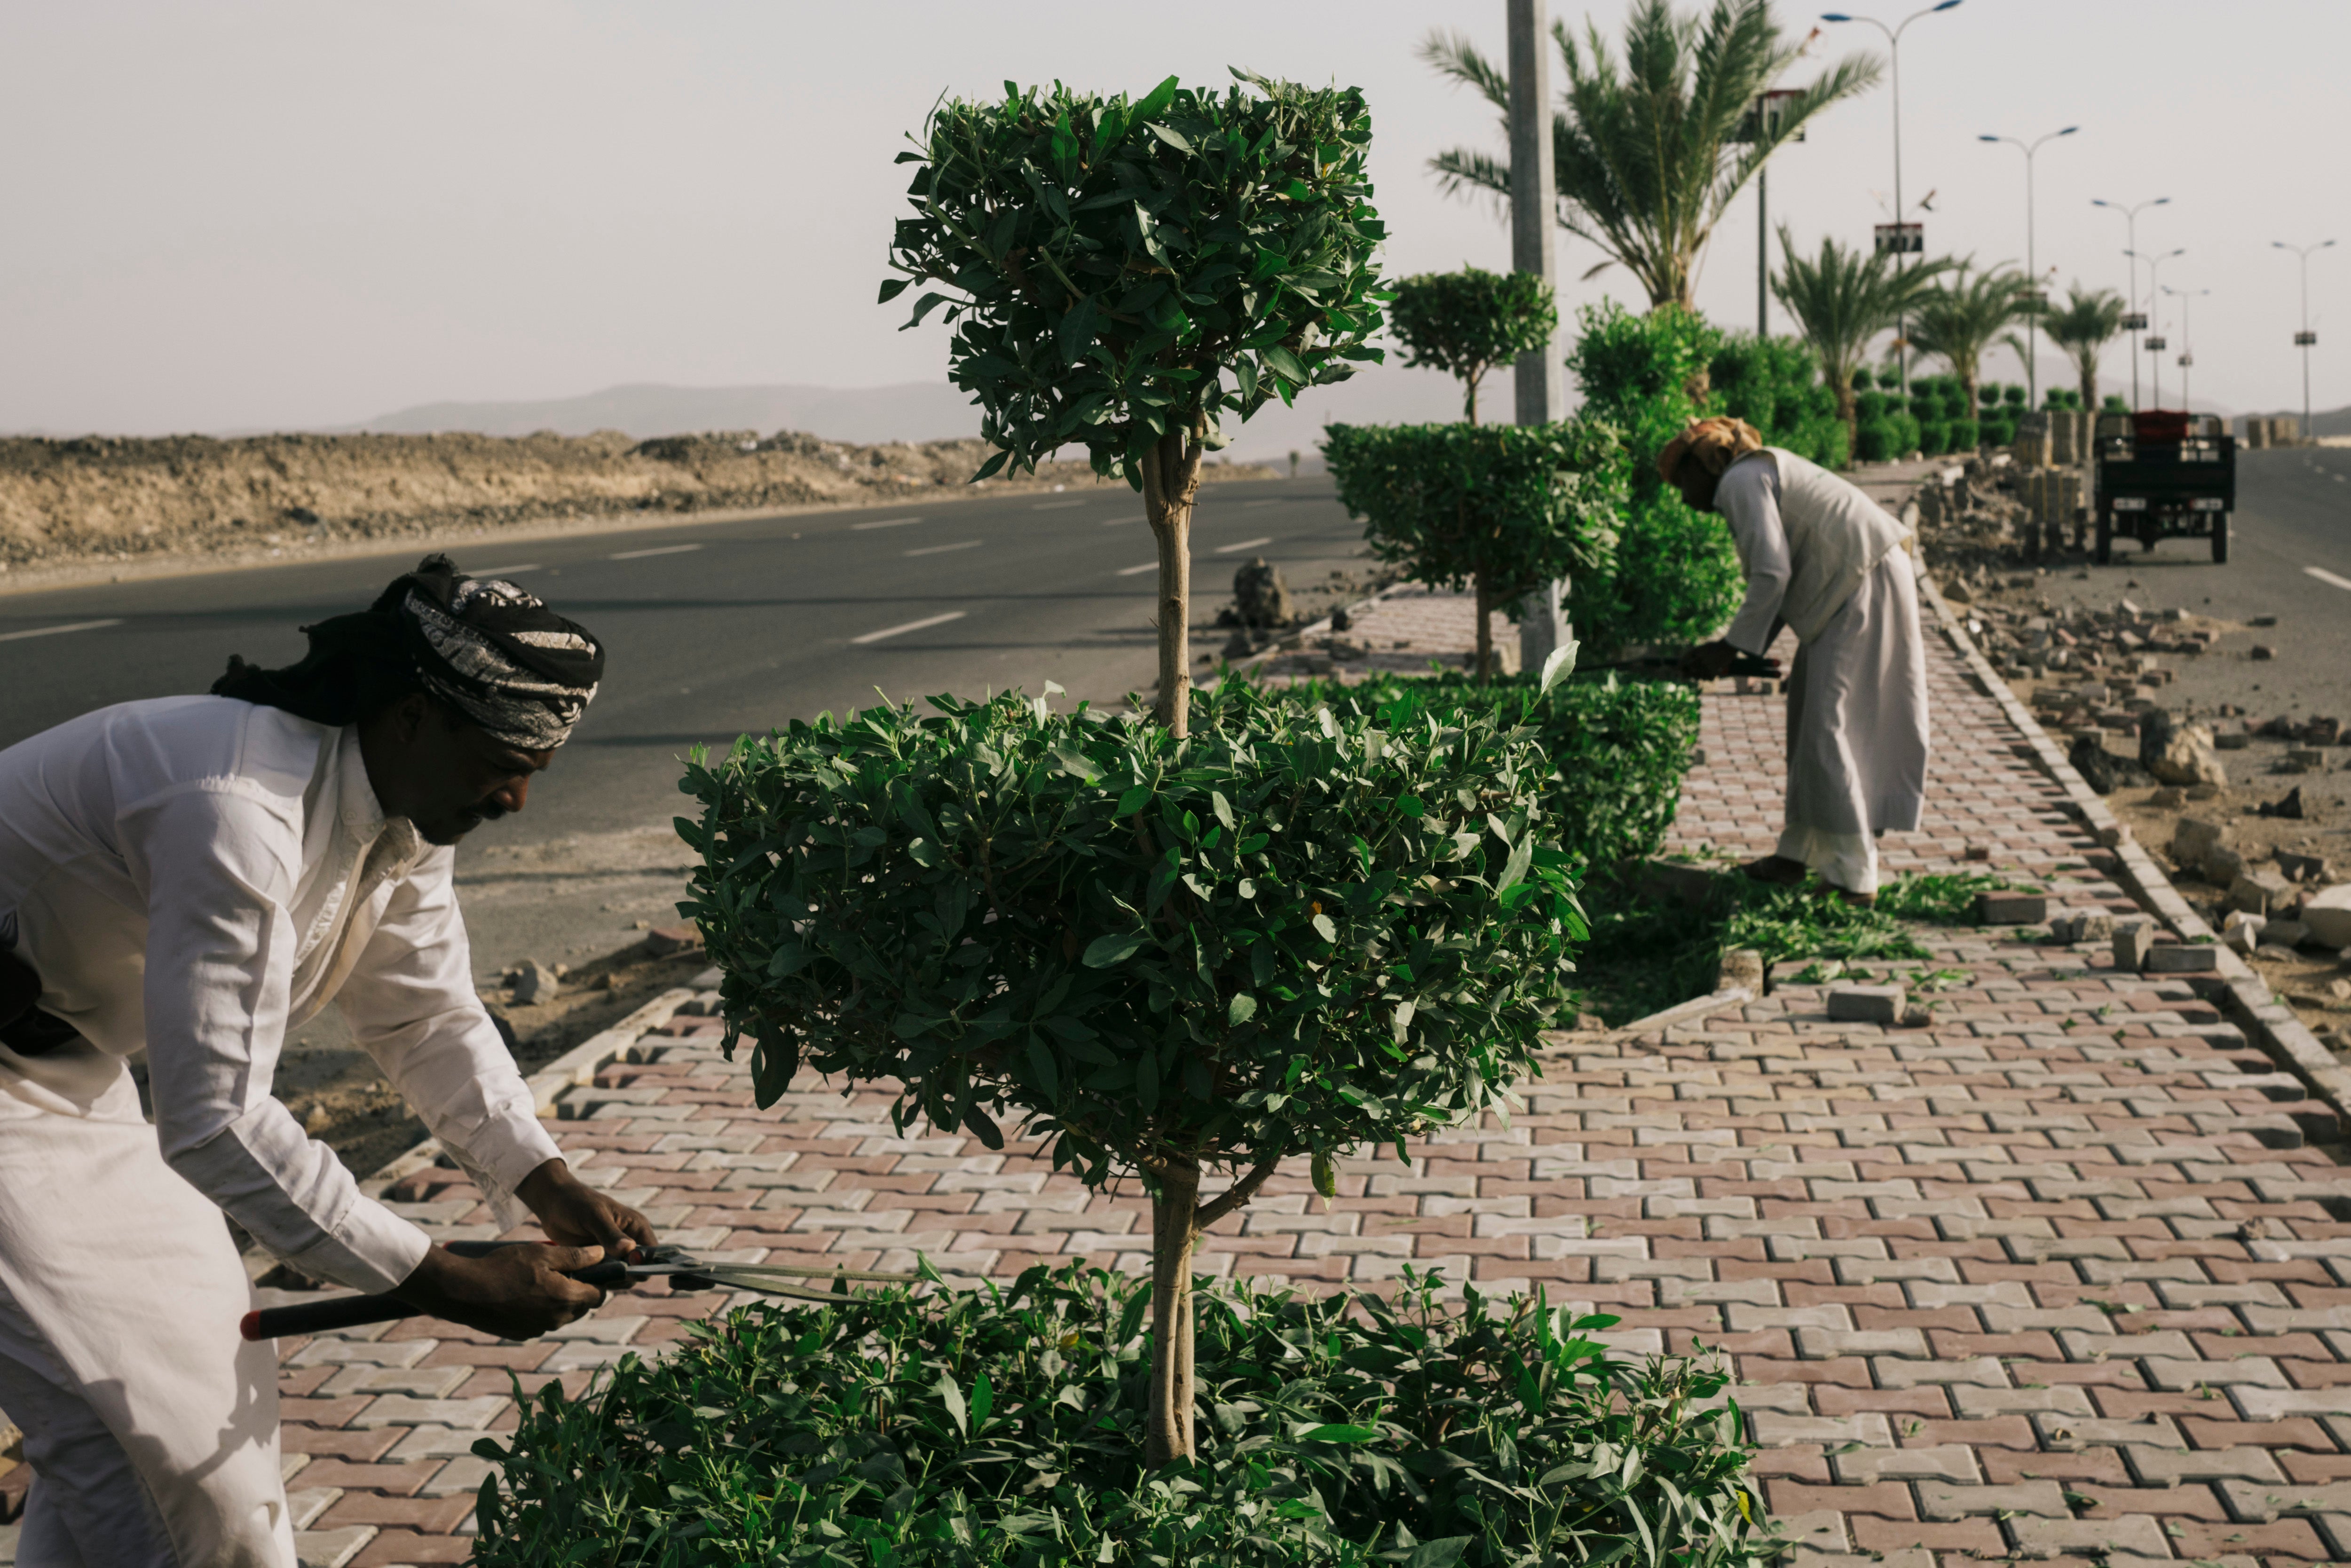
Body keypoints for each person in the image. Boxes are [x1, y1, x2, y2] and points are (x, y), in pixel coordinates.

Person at [0, 556, 656, 1567]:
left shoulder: (402, 813)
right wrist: (441, 1276)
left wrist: (542, 1178)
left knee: (196, 1387)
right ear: (408, 717)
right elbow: (215, 1119)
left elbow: (427, 1015)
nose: (519, 797)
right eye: (501, 760)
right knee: (155, 1443)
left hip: (64, 1071)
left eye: (537, 768)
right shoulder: (237, 808)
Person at [1660, 418, 1929, 905]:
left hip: (1860, 582)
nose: (1682, 497)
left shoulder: (1739, 481)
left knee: (1829, 728)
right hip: (1858, 579)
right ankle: (1795, 856)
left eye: (1681, 482)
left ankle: (1854, 877)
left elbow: (1771, 573)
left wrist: (1728, 648)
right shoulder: (1756, 474)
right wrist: (1742, 648)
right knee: (1809, 718)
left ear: (1704, 465)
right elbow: (1785, 574)